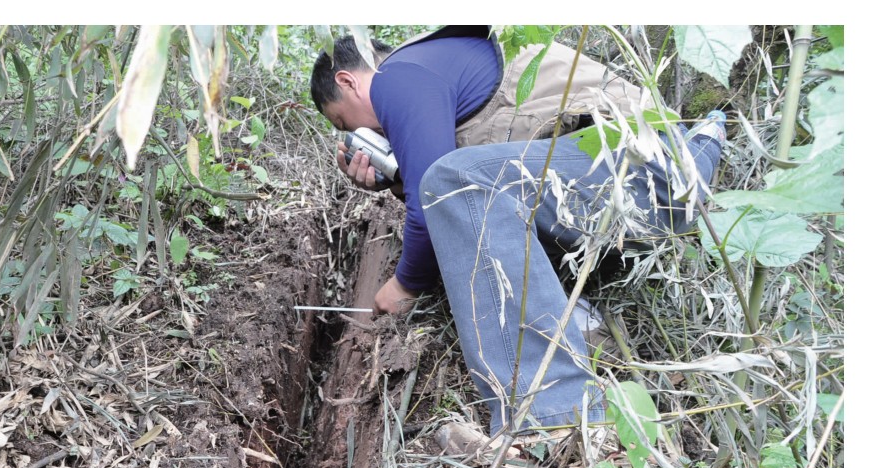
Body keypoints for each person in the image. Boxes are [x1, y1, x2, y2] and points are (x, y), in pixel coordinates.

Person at [310, 26, 724, 436]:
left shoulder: (397, 75)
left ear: (348, 81)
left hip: (648, 173)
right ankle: (584, 336)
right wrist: (395, 177)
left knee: (455, 180)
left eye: (344, 122)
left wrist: (405, 285)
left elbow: (442, 189)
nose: (359, 135)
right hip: (630, 184)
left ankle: (552, 416)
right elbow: (460, 198)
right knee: (455, 182)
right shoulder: (435, 71)